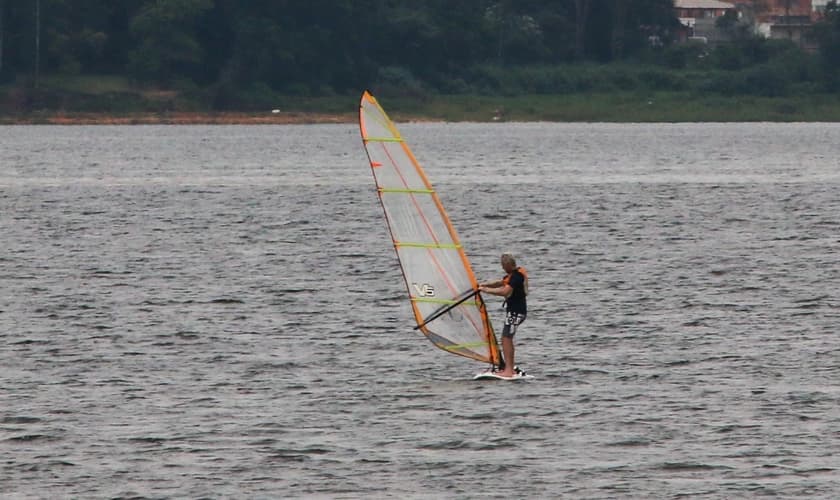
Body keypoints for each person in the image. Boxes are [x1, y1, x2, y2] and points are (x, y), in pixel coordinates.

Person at [479, 252, 528, 377]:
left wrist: (486, 291)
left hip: (516, 313)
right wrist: (483, 284)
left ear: (507, 264)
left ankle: (509, 370)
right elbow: (500, 283)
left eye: (503, 265)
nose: (502, 268)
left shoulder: (517, 277)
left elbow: (504, 291)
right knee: (506, 338)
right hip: (516, 312)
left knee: (506, 339)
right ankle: (509, 367)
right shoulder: (513, 275)